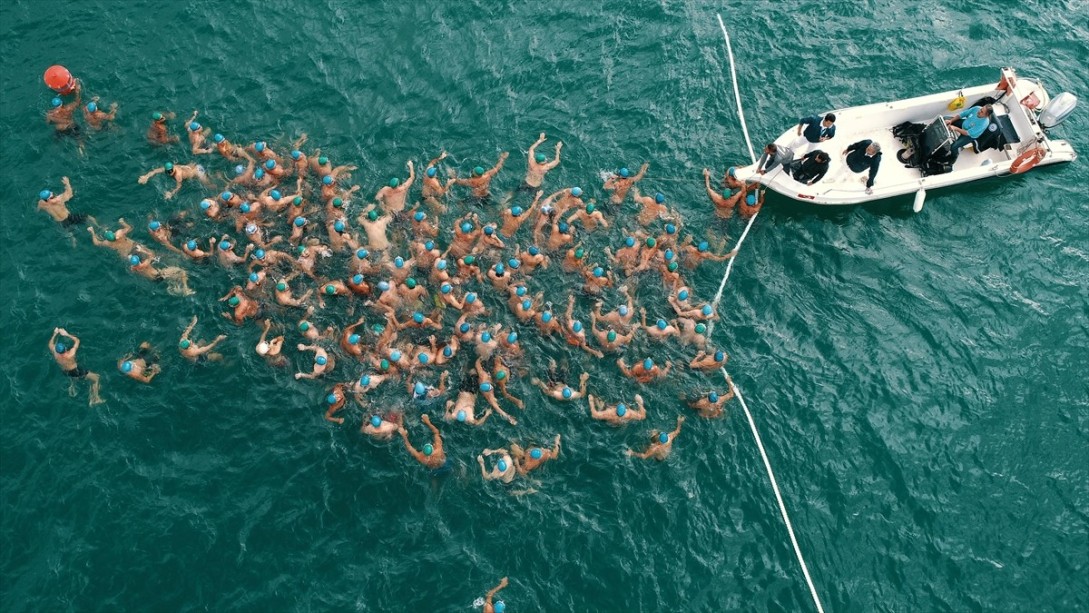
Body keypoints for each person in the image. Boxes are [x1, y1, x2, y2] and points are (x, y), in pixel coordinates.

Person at [49, 327, 103, 405]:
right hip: (76, 371)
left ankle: (73, 384)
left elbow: (50, 344)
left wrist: (55, 334)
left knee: (73, 376)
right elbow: (77, 340)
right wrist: (66, 334)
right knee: (96, 378)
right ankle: (95, 398)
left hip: (65, 372)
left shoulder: (55, 353)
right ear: (65, 348)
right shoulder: (70, 354)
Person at [138, 161, 211, 199]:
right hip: (192, 167)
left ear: (173, 169)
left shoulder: (178, 176)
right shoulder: (170, 167)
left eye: (170, 171)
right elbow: (155, 171)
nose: (169, 173)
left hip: (198, 172)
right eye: (168, 172)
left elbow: (179, 187)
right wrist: (146, 176)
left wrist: (171, 193)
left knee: (209, 186)